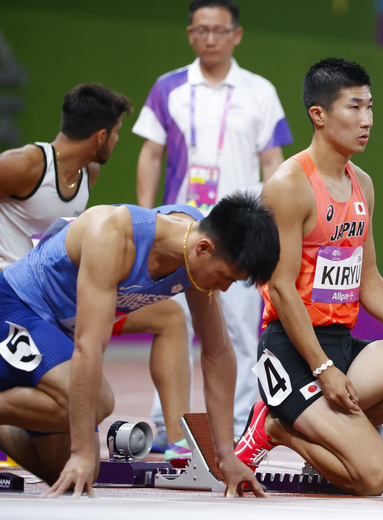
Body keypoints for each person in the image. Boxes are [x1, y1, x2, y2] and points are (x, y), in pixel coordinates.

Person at [233, 57, 383, 496]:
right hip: (291, 350)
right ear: (318, 116)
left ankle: (329, 427)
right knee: (376, 477)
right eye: (354, 108)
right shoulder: (288, 185)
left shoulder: (363, 183)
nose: (368, 121)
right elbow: (281, 290)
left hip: (343, 343)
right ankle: (278, 427)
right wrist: (322, 370)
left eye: (370, 107)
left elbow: (368, 275)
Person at [0, 191, 278, 497]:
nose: (225, 288)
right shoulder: (113, 236)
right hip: (17, 305)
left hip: (62, 326)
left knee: (80, 473)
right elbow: (89, 345)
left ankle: (12, 424)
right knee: (98, 404)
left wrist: (226, 455)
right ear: (203, 248)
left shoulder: (198, 247)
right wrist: (79, 450)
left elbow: (217, 352)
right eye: (226, 277)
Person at [0, 83, 191, 463]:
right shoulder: (27, 165)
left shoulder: (89, 172)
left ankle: (179, 441)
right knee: (84, 405)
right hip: (16, 295)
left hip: (62, 295)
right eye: (118, 132)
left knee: (169, 315)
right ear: (102, 134)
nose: (118, 140)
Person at [133, 0, 294, 442]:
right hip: (183, 231)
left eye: (219, 31)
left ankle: (239, 422)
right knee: (173, 324)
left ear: (236, 35)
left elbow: (272, 162)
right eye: (201, 30)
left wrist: (269, 227)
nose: (210, 38)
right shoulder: (168, 88)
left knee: (240, 330)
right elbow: (150, 153)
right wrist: (146, 218)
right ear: (189, 34)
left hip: (238, 236)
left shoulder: (259, 91)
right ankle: (169, 423)